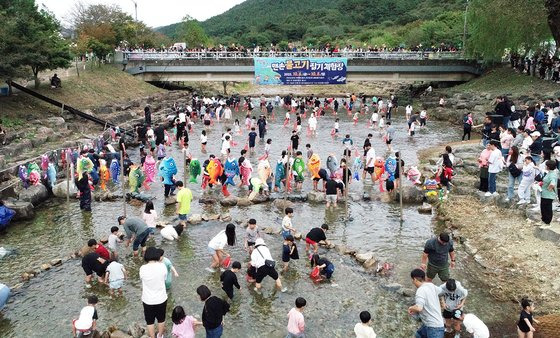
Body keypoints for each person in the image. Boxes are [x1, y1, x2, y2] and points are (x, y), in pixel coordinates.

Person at [139, 247, 168, 338]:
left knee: (150, 321)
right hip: (161, 298)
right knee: (161, 319)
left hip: (148, 300)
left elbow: (141, 278)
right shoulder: (162, 266)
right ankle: (160, 335)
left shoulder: (143, 268)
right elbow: (165, 278)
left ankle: (152, 337)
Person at [408, 269, 445, 338]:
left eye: (412, 280)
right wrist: (442, 302)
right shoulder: (431, 285)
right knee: (418, 336)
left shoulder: (420, 291)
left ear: (415, 279)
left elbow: (419, 308)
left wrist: (411, 308)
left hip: (434, 329)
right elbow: (442, 292)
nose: (412, 282)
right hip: (428, 324)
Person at [540, 159, 558, 226]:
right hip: (544, 194)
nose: (545, 166)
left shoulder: (552, 174)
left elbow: (552, 183)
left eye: (546, 165)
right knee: (543, 207)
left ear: (548, 166)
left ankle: (547, 223)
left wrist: (549, 188)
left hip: (548, 195)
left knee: (547, 209)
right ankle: (543, 220)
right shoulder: (549, 173)